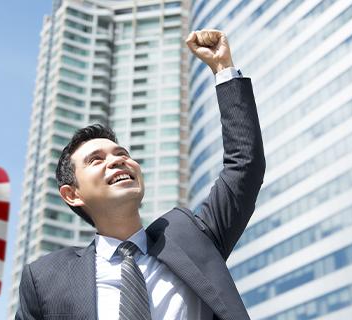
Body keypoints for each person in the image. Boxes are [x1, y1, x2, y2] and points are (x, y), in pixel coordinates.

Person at [16, 29, 265, 320]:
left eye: (122, 154)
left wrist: (223, 69)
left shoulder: (191, 238)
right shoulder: (45, 279)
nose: (117, 162)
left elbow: (244, 166)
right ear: (72, 194)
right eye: (96, 160)